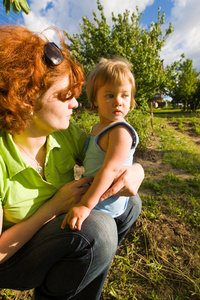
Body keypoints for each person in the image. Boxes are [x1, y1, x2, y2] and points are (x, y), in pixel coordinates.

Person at [0, 25, 144, 300]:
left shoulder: (63, 134)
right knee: (97, 230)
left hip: (49, 237)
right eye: (66, 95)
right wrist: (54, 207)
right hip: (11, 259)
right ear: (29, 99)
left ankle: (80, 287)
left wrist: (137, 170)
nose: (76, 104)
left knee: (129, 204)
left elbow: (110, 155)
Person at [62, 58, 139, 231]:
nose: (118, 101)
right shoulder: (99, 127)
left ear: (131, 99)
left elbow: (109, 170)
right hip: (96, 192)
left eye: (125, 95)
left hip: (103, 201)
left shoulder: (120, 131)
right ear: (95, 100)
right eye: (110, 95)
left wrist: (85, 205)